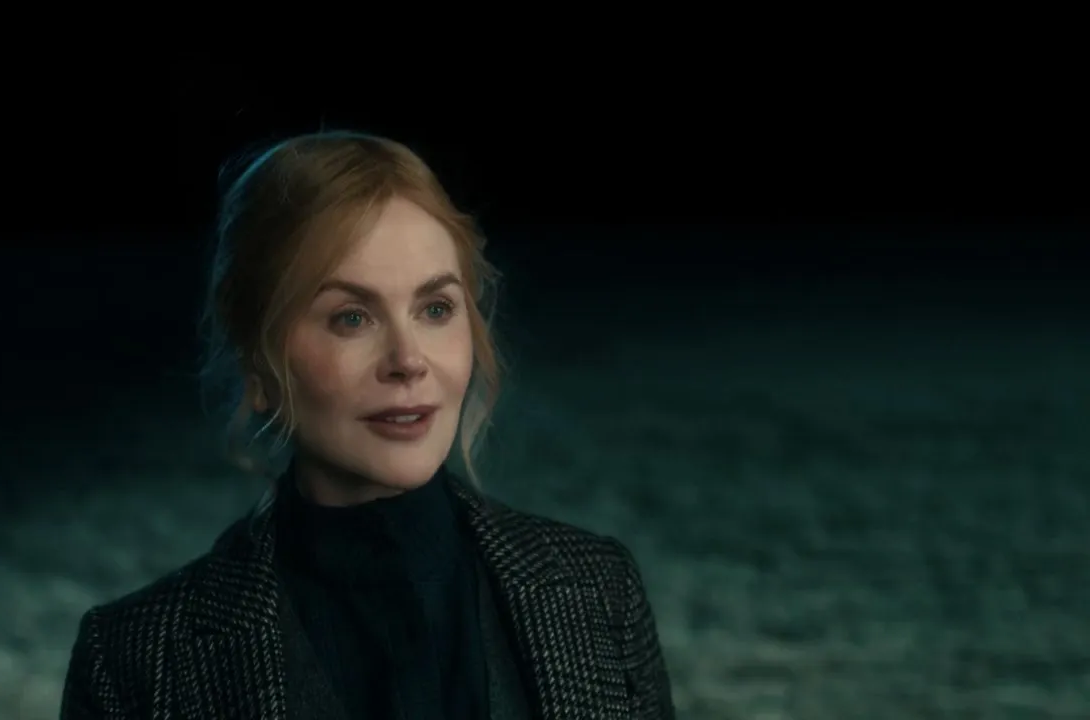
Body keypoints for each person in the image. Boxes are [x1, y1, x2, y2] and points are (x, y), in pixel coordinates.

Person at [59, 131, 676, 719]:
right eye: (352, 318)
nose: (408, 360)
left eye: (436, 308)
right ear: (257, 362)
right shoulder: (135, 664)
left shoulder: (601, 591)